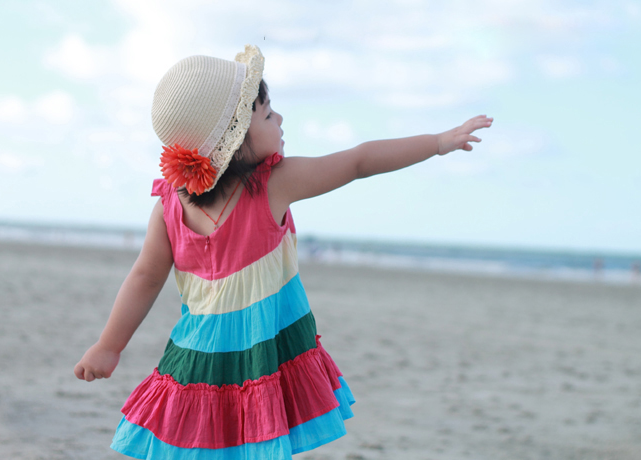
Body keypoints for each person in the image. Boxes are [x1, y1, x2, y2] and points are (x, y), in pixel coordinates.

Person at [73, 44, 493, 459]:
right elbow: (358, 162)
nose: (280, 118)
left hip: (196, 365)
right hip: (256, 363)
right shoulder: (272, 185)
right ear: (236, 141)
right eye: (268, 113)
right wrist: (437, 142)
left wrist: (110, 346)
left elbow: (145, 277)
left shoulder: (168, 203)